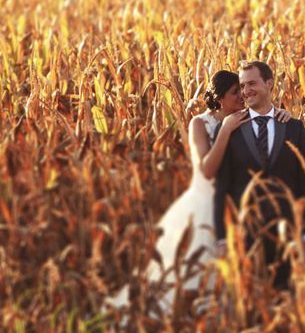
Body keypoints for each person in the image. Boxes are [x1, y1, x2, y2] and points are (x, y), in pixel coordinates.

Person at [105, 70, 291, 312]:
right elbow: (206, 170)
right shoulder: (200, 124)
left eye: (243, 91)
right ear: (220, 97)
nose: (242, 97)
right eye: (236, 92)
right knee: (190, 278)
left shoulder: (245, 118)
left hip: (236, 208)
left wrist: (283, 115)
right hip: (203, 208)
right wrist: (225, 131)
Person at [213, 61, 305, 289]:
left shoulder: (293, 127)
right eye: (242, 86)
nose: (246, 91)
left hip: (287, 234)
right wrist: (222, 238)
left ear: (269, 83)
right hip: (245, 235)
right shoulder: (230, 129)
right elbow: (222, 187)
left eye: (252, 83)